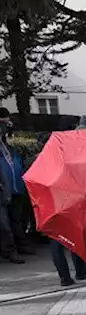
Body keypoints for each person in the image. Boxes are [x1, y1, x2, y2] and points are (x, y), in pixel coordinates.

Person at [0, 112, 31, 262]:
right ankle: (9, 250)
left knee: (17, 219)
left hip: (14, 187)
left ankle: (20, 245)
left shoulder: (8, 146)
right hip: (2, 191)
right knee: (4, 224)